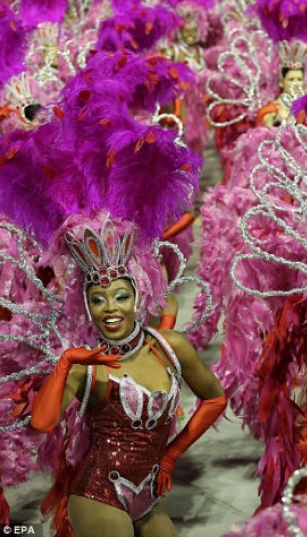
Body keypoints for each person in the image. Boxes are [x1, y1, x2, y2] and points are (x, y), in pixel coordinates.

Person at [29, 220, 227, 537]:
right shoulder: (86, 367)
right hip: (97, 494)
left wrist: (171, 454)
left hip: (147, 497)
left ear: (137, 298)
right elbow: (41, 422)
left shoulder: (169, 347)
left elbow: (215, 398)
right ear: (87, 307)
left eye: (120, 297)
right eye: (98, 299)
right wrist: (65, 363)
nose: (110, 309)